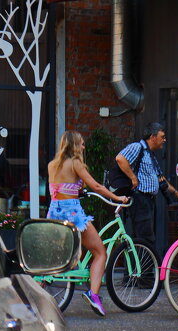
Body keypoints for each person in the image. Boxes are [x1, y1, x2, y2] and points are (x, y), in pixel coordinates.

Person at [47, 131, 128, 317]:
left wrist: (77, 188)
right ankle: (94, 294)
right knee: (100, 252)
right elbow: (97, 187)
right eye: (81, 144)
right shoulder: (75, 163)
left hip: (54, 212)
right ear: (74, 145)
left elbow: (63, 187)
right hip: (72, 213)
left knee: (59, 251)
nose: (84, 147)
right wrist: (117, 198)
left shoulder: (53, 165)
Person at [114, 122, 178, 250]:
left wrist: (176, 193)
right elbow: (120, 159)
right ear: (153, 137)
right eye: (162, 137)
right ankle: (144, 269)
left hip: (148, 201)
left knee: (142, 236)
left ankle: (138, 267)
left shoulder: (150, 154)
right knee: (145, 237)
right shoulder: (137, 147)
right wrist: (133, 178)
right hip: (140, 198)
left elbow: (160, 178)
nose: (164, 140)